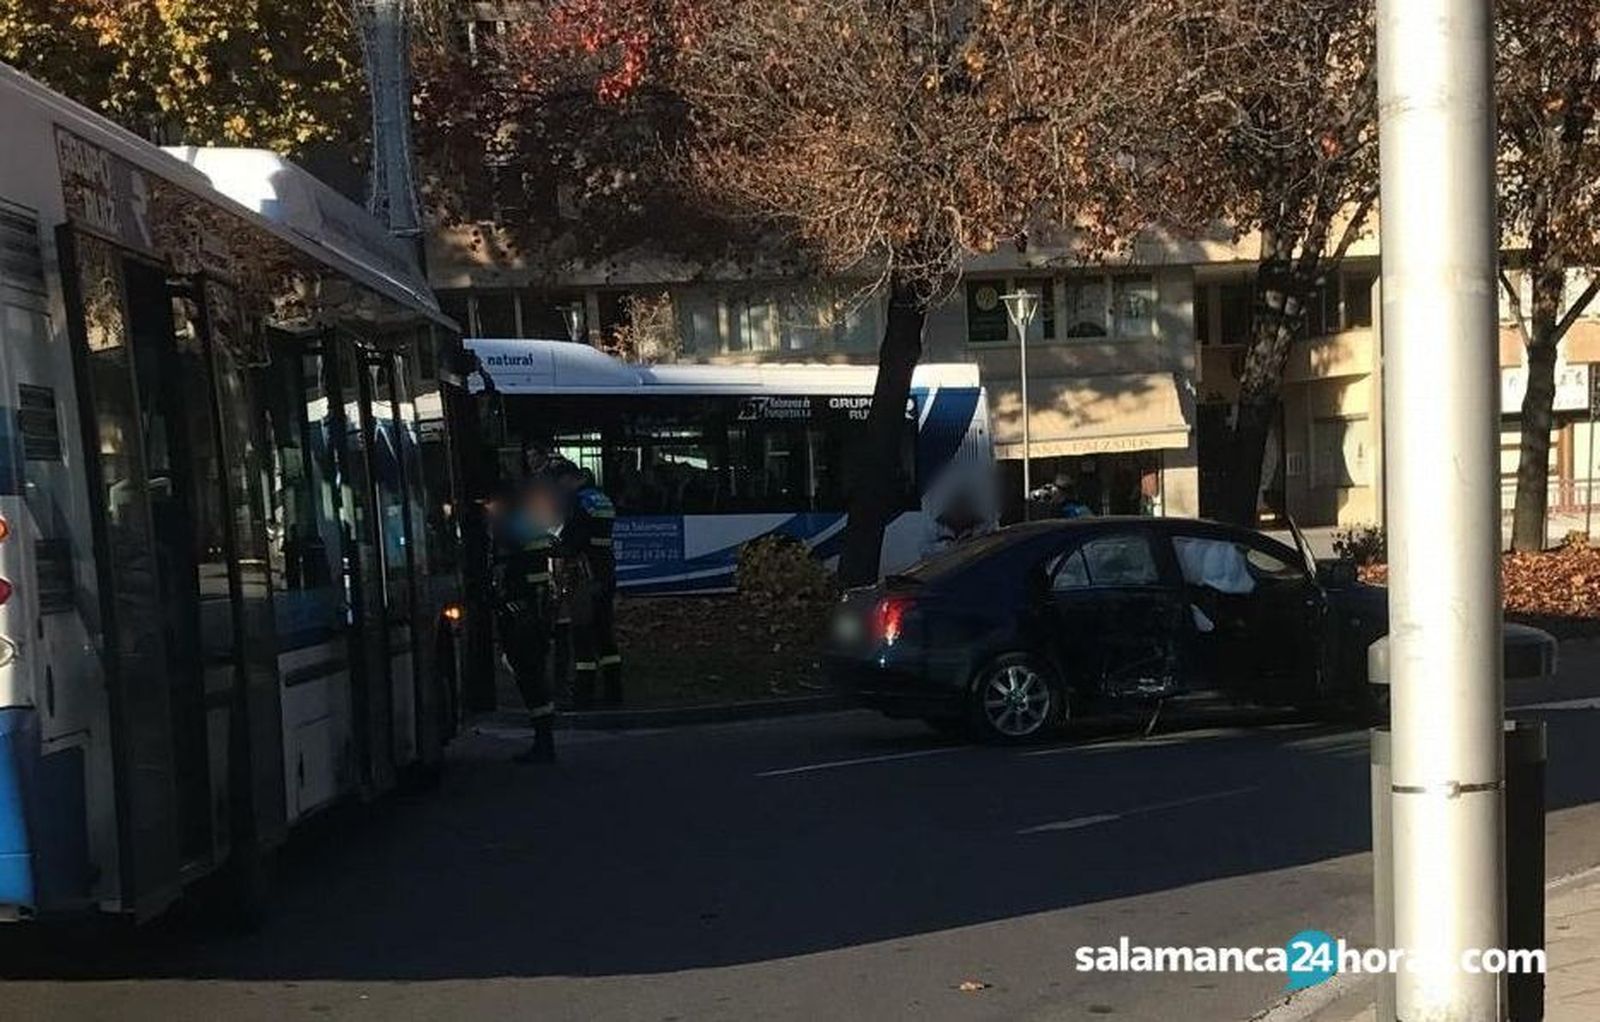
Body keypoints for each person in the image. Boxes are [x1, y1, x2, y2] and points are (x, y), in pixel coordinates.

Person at [489, 468, 562, 764]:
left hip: (521, 611)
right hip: (539, 608)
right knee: (534, 673)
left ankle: (543, 741)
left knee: (528, 675)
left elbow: (505, 571)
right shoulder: (530, 523)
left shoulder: (510, 527)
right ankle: (545, 738)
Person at [549, 461, 622, 709]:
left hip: (584, 572)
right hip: (605, 569)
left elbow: (571, 540)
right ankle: (614, 691)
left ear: (569, 478)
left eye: (559, 483)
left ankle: (584, 694)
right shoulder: (601, 498)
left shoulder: (577, 501)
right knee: (604, 634)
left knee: (582, 635)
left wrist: (552, 546)